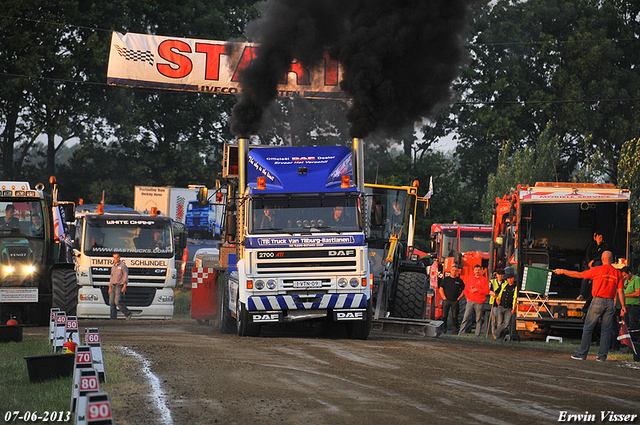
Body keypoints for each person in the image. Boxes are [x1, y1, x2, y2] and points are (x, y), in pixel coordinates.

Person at [554, 251, 625, 361]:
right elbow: (620, 292)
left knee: (588, 328)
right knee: (606, 330)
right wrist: (623, 306)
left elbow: (579, 275)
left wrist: (562, 271)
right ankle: (602, 357)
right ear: (611, 260)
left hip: (598, 301)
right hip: (610, 302)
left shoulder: (597, 270)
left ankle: (582, 354)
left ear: (602, 259)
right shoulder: (618, 273)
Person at [458, 264, 490, 337]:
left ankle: (477, 334)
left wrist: (477, 290)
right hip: (470, 302)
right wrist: (467, 298)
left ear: (481, 270)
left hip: (479, 303)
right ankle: (461, 333)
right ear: (474, 270)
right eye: (476, 270)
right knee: (465, 318)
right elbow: (466, 289)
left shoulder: (484, 280)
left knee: (478, 320)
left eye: (479, 270)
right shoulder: (470, 278)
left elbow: (487, 291)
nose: (477, 271)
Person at [579, 232, 609, 301]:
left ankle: (592, 295)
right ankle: (581, 294)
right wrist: (589, 262)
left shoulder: (605, 246)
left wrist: (593, 261)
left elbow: (601, 255)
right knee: (584, 277)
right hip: (590, 263)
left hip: (598, 262)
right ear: (594, 238)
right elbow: (587, 254)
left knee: (595, 278)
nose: (599, 239)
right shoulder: (591, 245)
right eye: (598, 237)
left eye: (600, 237)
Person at [438, 264, 465, 334]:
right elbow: (441, 289)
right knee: (444, 316)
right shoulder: (446, 280)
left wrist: (459, 298)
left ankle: (455, 331)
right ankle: (443, 330)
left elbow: (464, 290)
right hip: (446, 301)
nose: (454, 272)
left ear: (457, 272)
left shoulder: (459, 281)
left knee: (455, 317)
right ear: (450, 271)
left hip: (455, 301)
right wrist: (444, 298)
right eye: (453, 270)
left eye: (456, 271)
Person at [492, 267, 518, 340]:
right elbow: (497, 293)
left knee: (506, 323)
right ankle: (499, 337)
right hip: (501, 306)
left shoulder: (515, 287)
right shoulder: (504, 285)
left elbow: (515, 299)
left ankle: (495, 333)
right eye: (508, 278)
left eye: (511, 278)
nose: (509, 279)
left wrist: (514, 308)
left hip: (509, 308)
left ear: (513, 278)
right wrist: (497, 299)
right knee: (499, 322)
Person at [109, 253, 133, 320]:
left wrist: (124, 286)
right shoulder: (113, 266)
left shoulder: (123, 266)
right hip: (113, 286)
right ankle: (113, 318)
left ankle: (128, 313)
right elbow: (112, 277)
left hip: (119, 286)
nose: (115, 259)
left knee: (117, 302)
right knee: (112, 303)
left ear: (119, 258)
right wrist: (110, 287)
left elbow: (125, 276)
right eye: (114, 257)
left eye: (117, 257)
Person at [621, 267, 640, 342]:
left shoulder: (636, 280)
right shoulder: (626, 281)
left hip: (634, 306)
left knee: (633, 326)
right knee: (627, 326)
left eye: (625, 275)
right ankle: (629, 344)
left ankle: (635, 344)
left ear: (629, 272)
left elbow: (638, 293)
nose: (624, 277)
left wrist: (625, 295)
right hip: (626, 306)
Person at [488, 269, 506, 335]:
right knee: (494, 319)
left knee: (500, 320)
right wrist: (496, 297)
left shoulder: (505, 283)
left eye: (501, 274)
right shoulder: (492, 282)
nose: (500, 276)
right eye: (499, 274)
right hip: (494, 303)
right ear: (496, 275)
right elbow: (488, 291)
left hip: (502, 303)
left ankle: (498, 333)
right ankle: (493, 333)